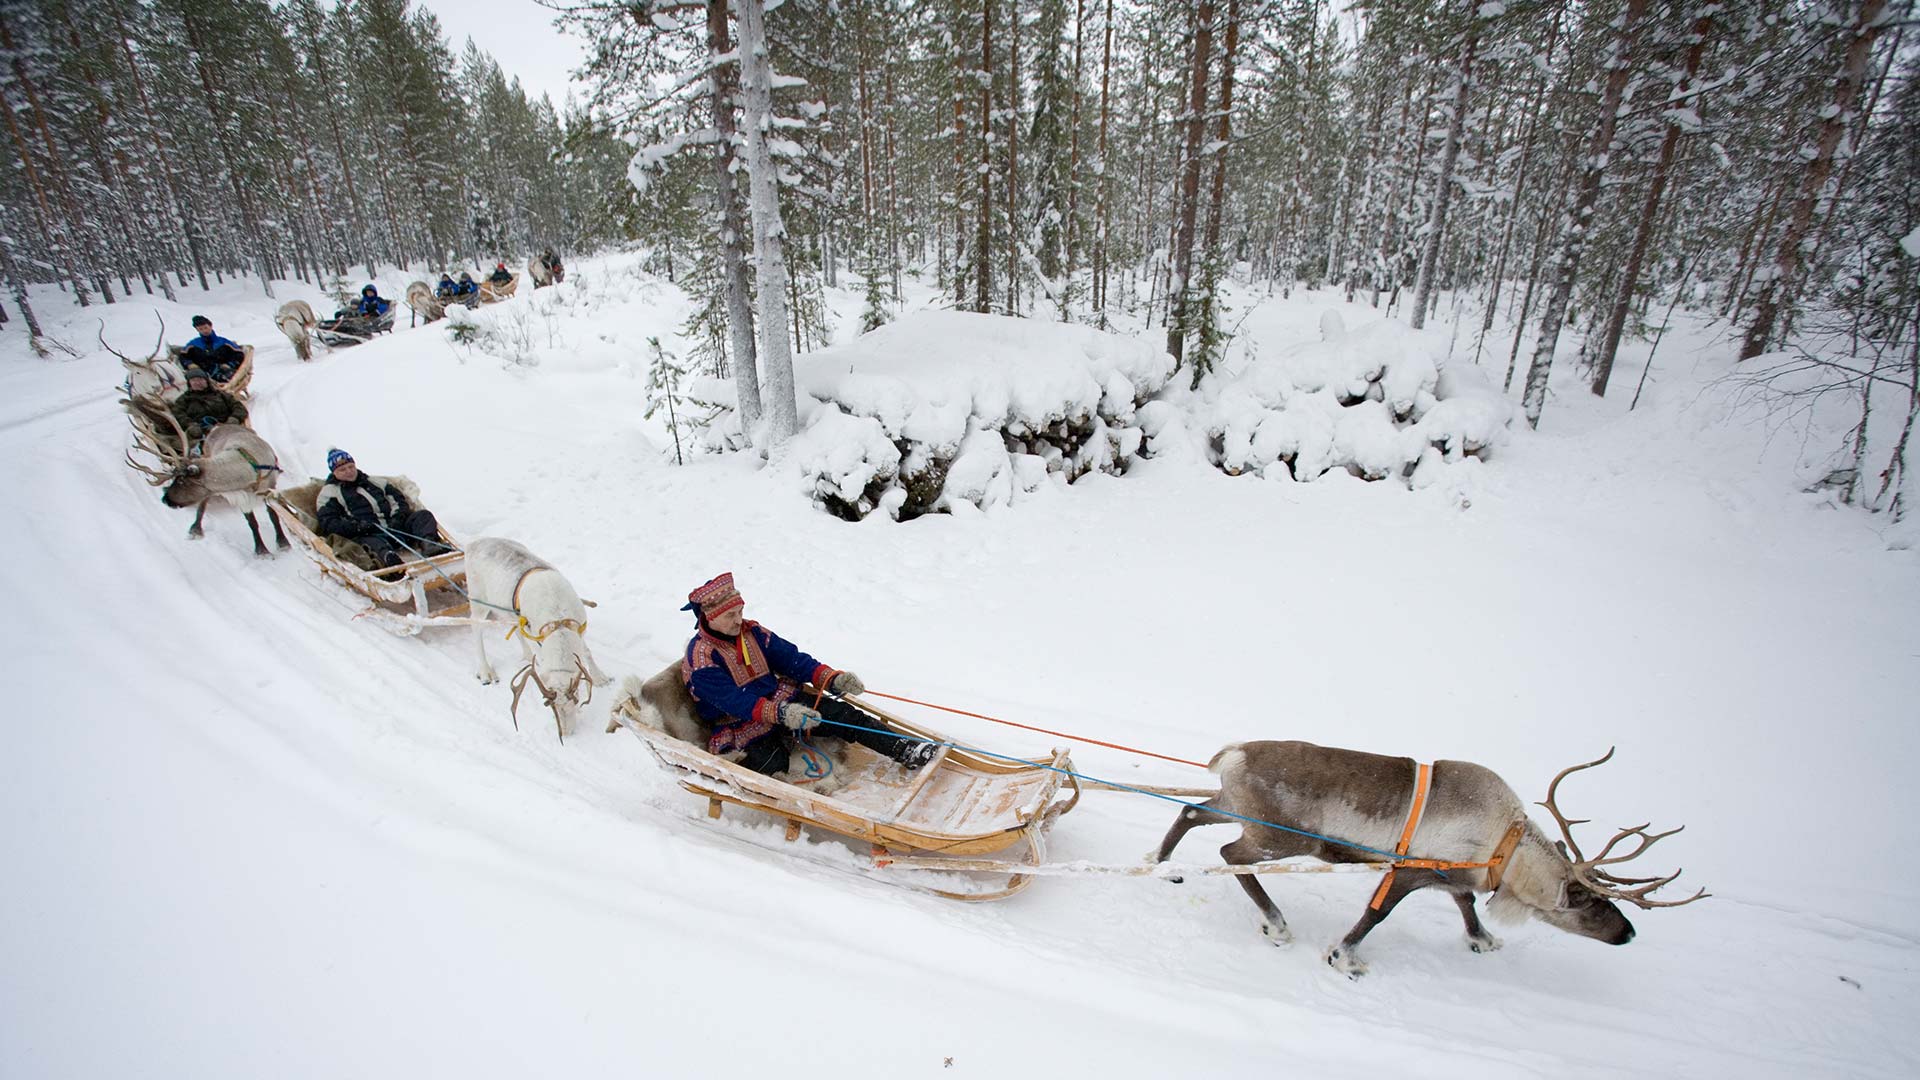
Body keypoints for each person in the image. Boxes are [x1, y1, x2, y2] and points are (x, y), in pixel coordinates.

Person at [680, 572, 937, 777]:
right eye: (730, 616)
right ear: (709, 618)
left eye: (740, 612)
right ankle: (785, 748)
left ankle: (905, 749)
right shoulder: (701, 658)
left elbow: (791, 659)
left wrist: (829, 678)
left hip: (781, 701)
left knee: (844, 716)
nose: (739, 620)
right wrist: (780, 714)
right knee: (772, 763)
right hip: (738, 722)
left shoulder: (752, 633)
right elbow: (734, 700)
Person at [314, 448, 446, 569]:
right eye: (342, 470)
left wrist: (397, 518)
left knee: (423, 516)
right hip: (369, 534)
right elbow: (329, 522)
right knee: (368, 542)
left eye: (351, 466)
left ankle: (429, 544)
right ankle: (388, 559)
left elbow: (398, 500)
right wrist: (359, 527)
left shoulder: (376, 482)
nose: (348, 471)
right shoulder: (329, 494)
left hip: (395, 528)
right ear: (334, 472)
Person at [168, 365, 248, 447]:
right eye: (193, 380)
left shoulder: (221, 395)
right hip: (200, 434)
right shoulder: (183, 400)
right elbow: (178, 414)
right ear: (189, 383)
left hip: (226, 428)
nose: (197, 383)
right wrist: (190, 425)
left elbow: (238, 407)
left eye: (200, 379)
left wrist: (235, 418)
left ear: (206, 381)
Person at [180, 315, 245, 382]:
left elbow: (239, 355)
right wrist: (190, 364)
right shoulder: (193, 344)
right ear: (197, 330)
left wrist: (230, 364)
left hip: (223, 371)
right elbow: (183, 357)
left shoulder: (223, 342)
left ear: (211, 326)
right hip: (201, 373)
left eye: (206, 328)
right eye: (201, 329)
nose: (204, 331)